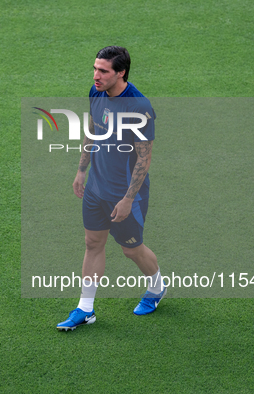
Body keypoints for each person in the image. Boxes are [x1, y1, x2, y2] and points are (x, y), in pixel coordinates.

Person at [57, 46, 165, 331]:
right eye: (95, 68)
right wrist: (82, 170)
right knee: (92, 243)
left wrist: (129, 199)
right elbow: (92, 128)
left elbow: (144, 157)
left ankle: (156, 288)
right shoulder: (96, 93)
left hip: (125, 194)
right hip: (96, 187)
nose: (96, 75)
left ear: (121, 73)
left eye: (103, 71)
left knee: (131, 250)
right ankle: (85, 308)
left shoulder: (138, 107)